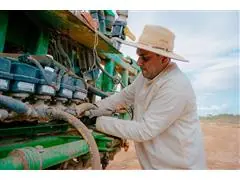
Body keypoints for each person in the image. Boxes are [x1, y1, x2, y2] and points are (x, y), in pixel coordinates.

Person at [78, 25, 207, 169]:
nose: (139, 62)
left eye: (145, 58)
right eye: (139, 55)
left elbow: (144, 130)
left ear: (164, 59)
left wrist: (96, 121)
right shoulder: (146, 76)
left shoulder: (176, 86)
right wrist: (93, 108)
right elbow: (123, 97)